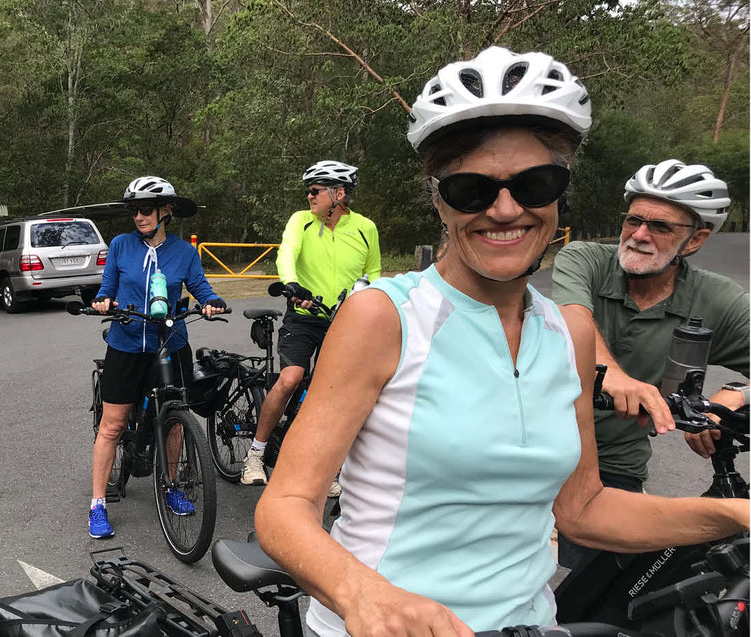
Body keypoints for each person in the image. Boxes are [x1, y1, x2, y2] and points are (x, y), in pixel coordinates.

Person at [254, 46, 749, 636]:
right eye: (472, 190)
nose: (506, 208)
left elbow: (584, 509)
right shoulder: (385, 316)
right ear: (439, 200)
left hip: (530, 625)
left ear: (560, 194)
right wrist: (363, 594)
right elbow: (285, 507)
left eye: (535, 183)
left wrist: (733, 514)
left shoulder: (572, 331)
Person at [551, 159, 749, 568]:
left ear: (694, 241)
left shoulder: (719, 301)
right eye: (634, 220)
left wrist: (736, 394)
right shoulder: (584, 259)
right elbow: (573, 320)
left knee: (598, 592)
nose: (639, 235)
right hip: (529, 444)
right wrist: (616, 378)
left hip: (612, 463)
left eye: (660, 227)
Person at [87, 176, 226, 539]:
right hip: (127, 343)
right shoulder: (120, 245)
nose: (138, 216)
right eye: (134, 210)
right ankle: (98, 504)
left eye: (146, 209)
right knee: (113, 426)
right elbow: (107, 288)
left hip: (171, 343)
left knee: (176, 420)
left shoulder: (184, 252)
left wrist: (210, 302)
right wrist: (103, 301)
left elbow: (200, 286)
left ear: (166, 212)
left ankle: (173, 484)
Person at [239, 161, 380, 489]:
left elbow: (372, 274)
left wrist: (367, 297)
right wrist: (292, 286)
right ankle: (256, 456)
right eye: (308, 190)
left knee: (338, 394)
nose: (309, 196)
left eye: (315, 190)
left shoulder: (365, 228)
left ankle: (330, 468)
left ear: (339, 193)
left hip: (344, 322)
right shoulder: (300, 221)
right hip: (304, 317)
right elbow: (286, 254)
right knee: (290, 379)